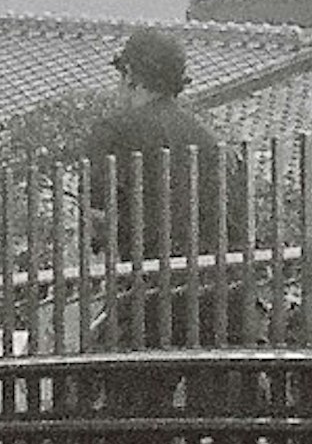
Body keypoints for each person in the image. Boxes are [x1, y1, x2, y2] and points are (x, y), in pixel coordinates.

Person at [82, 28, 246, 346]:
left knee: (127, 391)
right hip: (214, 295)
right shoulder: (209, 140)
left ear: (129, 74)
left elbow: (98, 219)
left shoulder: (112, 133)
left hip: (146, 296)